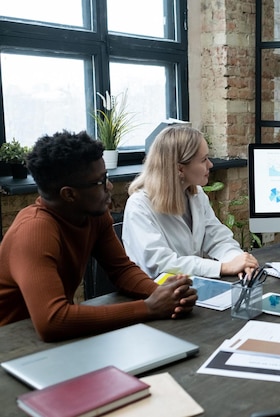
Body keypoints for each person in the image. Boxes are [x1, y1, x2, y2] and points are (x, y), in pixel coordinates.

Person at [0, 131, 197, 342]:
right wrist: (149, 308)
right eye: (100, 181)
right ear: (69, 194)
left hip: (51, 342)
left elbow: (122, 271)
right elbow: (53, 319)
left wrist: (168, 294)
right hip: (11, 345)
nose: (109, 186)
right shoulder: (34, 232)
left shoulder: (94, 214)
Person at [123, 125, 258, 279]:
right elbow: (159, 263)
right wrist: (223, 267)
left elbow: (217, 238)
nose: (210, 165)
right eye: (203, 160)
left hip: (190, 287)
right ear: (180, 169)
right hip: (155, 295)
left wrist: (238, 260)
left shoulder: (196, 194)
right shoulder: (139, 206)